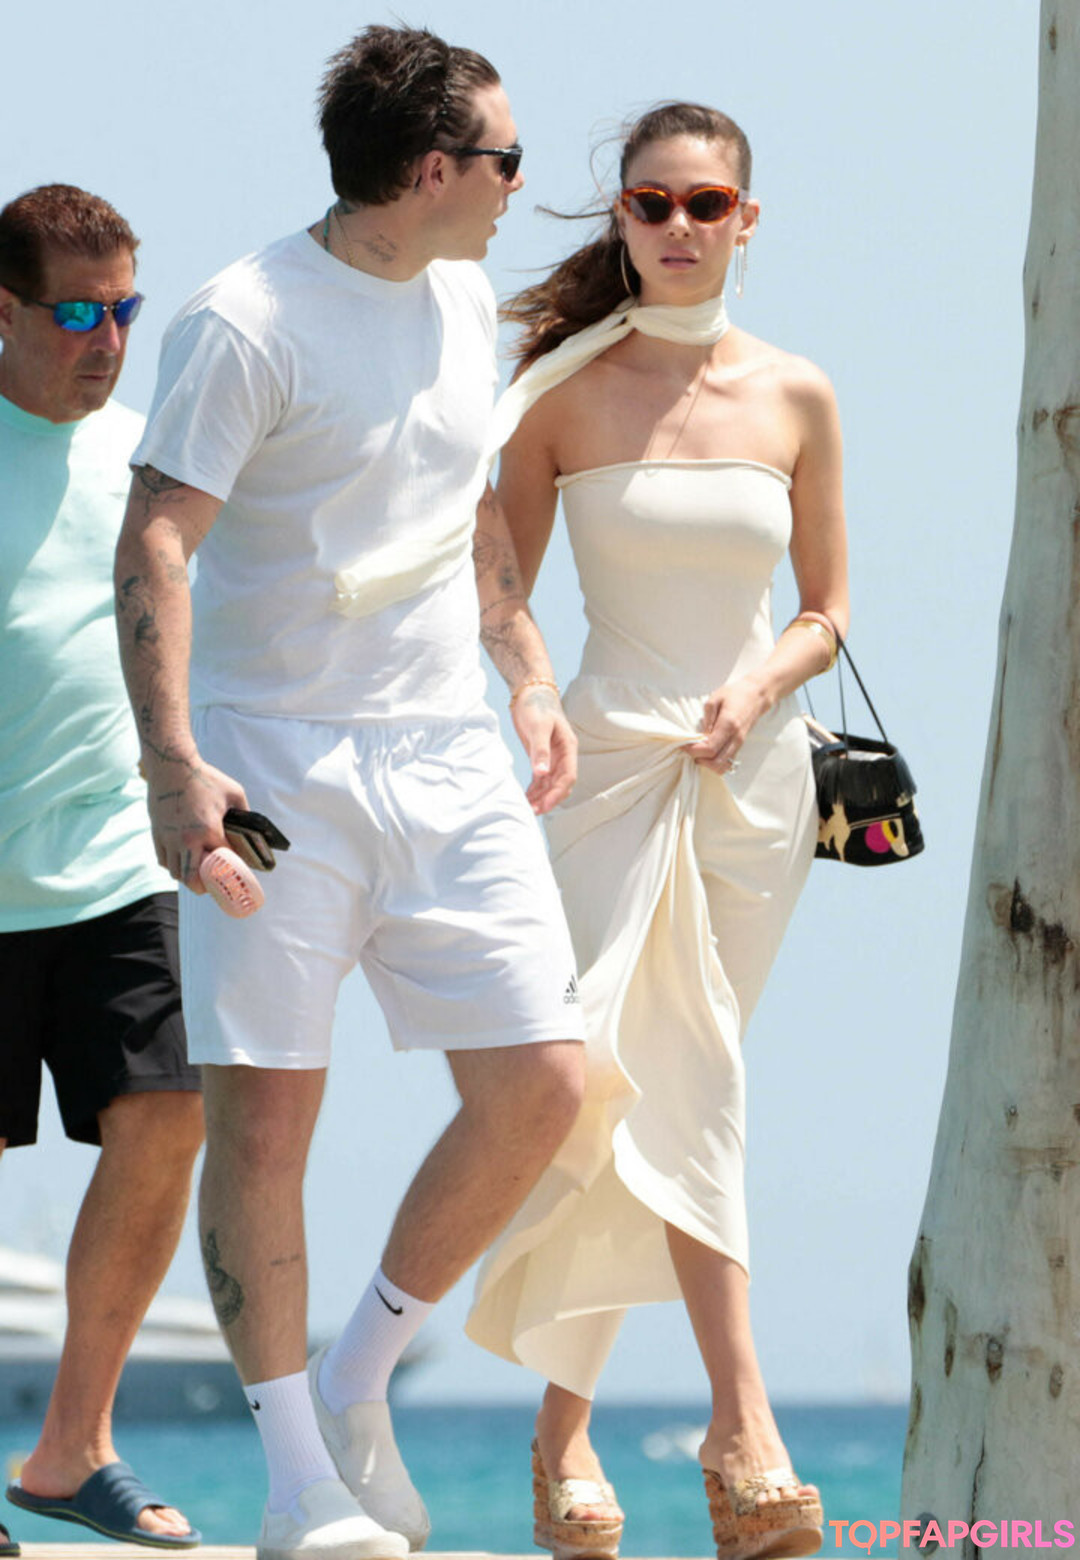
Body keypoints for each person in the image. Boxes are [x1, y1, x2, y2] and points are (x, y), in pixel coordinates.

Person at [113, 25, 586, 1560]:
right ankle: (297, 1485)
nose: (520, 184)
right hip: (275, 766)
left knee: (546, 1083)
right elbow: (157, 540)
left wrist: (525, 670)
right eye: (506, 158)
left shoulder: (461, 300)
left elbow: (467, 511)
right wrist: (175, 768)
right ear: (435, 168)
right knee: (264, 1125)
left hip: (447, 754)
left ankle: (358, 1374)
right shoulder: (243, 321)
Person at [466, 103, 850, 1560]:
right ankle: (742, 1434)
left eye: (704, 203)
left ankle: (569, 1436)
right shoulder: (559, 390)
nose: (678, 227)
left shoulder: (797, 394)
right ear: (619, 217)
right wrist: (531, 694)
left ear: (747, 218)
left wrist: (759, 686)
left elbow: (829, 608)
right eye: (650, 203)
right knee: (624, 1088)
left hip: (753, 788)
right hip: (605, 775)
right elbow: (498, 581)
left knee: (680, 1085)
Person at [0, 184, 203, 1553]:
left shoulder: (152, 464)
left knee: (169, 1113)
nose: (109, 339)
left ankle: (74, 1447)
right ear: (5, 311)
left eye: (126, 308)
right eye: (77, 313)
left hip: (119, 860)